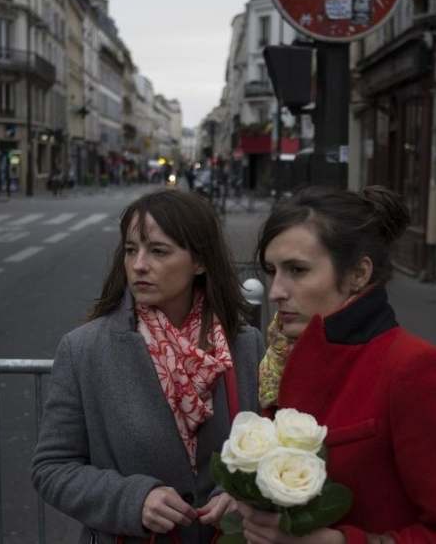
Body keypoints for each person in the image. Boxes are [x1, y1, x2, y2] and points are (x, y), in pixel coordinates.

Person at [242, 186, 436, 544]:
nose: (275, 291)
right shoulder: (281, 357)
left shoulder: (415, 369)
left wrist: (339, 543)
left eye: (297, 270)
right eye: (272, 271)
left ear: (358, 273)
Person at [31, 189, 265, 544]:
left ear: (200, 261)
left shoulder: (245, 345)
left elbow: (270, 452)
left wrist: (241, 492)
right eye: (131, 250)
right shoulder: (85, 349)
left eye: (158, 251)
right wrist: (132, 500)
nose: (139, 264)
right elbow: (52, 468)